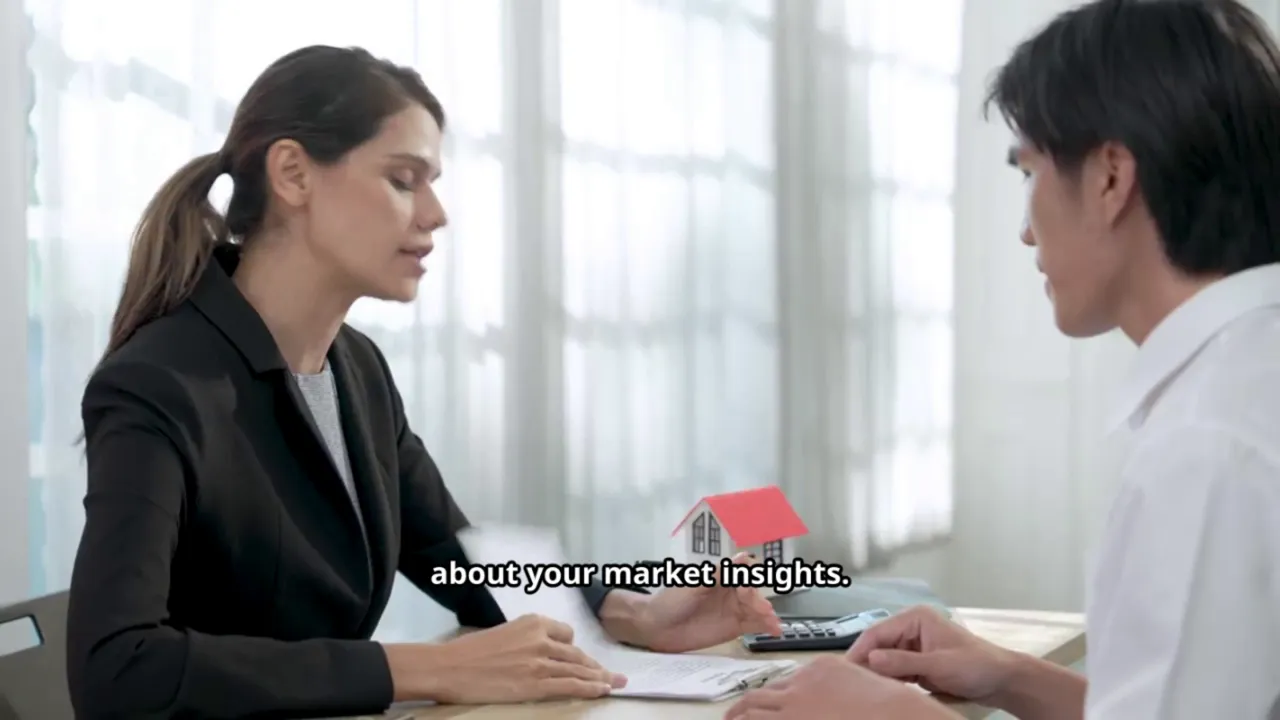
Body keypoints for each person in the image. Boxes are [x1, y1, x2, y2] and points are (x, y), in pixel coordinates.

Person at [66, 45, 783, 720]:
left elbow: (461, 563)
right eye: (403, 179)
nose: (435, 216)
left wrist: (637, 611)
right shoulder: (159, 383)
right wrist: (423, 669)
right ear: (293, 175)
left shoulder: (358, 371)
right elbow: (116, 667)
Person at [727, 0, 1280, 718]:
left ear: (1111, 177)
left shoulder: (1207, 449)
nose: (1024, 230)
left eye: (1029, 172)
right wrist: (1015, 678)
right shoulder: (1245, 377)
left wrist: (890, 715)